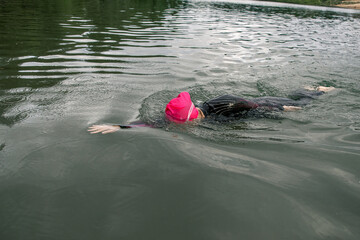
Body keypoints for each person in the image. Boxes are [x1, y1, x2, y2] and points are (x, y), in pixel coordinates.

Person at [88, 86, 335, 134]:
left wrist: (283, 110)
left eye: (173, 122)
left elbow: (253, 105)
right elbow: (152, 123)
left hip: (265, 104)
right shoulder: (198, 113)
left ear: (189, 120)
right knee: (298, 95)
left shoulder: (226, 107)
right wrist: (119, 126)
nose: (169, 124)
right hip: (259, 102)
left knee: (302, 103)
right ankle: (310, 89)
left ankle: (323, 90)